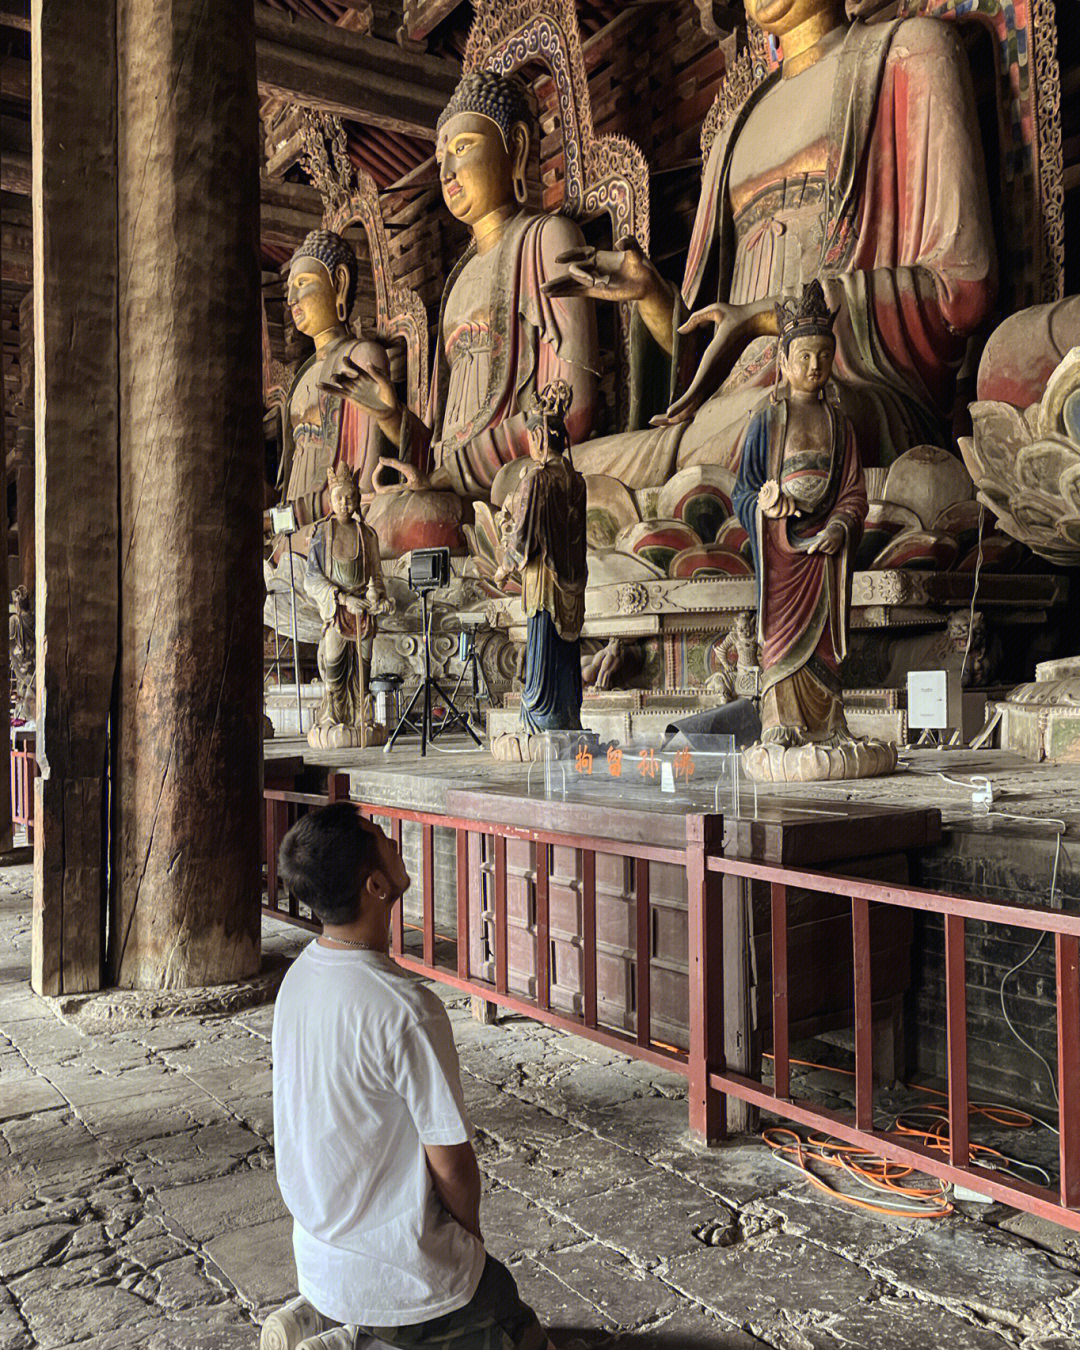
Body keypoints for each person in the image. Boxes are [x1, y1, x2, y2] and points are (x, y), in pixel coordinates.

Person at [545, 0, 996, 483]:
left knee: (791, 431)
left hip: (846, 391)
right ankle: (692, 492)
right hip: (722, 416)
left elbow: (964, 291)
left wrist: (773, 316)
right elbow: (705, 354)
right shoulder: (730, 136)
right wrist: (652, 296)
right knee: (549, 476)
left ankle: (693, 496)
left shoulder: (909, 53)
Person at [270, 803, 555, 1350]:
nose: (394, 840)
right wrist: (467, 1247)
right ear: (376, 885)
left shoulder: (298, 978)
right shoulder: (406, 1008)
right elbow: (451, 1163)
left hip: (316, 1252)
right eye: (381, 837)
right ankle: (362, 1339)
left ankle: (326, 1323)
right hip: (401, 1271)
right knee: (515, 1323)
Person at [321, 71, 598, 501]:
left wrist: (453, 474)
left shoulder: (547, 239)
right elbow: (434, 447)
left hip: (520, 477)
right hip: (453, 483)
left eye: (462, 148)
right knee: (378, 515)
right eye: (439, 160)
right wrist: (393, 416)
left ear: (517, 147)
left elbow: (570, 410)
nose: (447, 171)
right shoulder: (456, 281)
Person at [732, 279, 867, 746]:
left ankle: (829, 724)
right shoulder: (765, 421)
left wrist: (841, 525)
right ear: (784, 362)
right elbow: (742, 491)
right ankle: (780, 721)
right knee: (784, 643)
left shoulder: (841, 424)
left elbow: (853, 492)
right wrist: (767, 507)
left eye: (824, 356)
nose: (815, 366)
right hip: (782, 551)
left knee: (824, 645)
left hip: (825, 552)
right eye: (804, 357)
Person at [494, 382, 587, 733]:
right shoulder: (577, 482)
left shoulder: (538, 480)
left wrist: (503, 567)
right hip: (572, 583)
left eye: (531, 438)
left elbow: (523, 538)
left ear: (541, 438)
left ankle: (541, 719)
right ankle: (567, 714)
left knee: (542, 647)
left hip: (543, 583)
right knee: (566, 651)